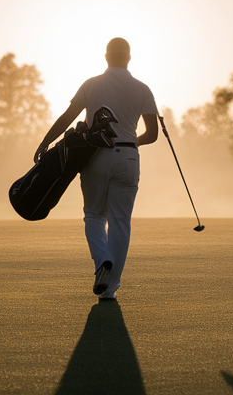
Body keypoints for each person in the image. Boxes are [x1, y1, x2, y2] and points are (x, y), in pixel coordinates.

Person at [34, 37, 158, 300]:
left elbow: (68, 117)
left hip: (95, 156)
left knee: (94, 215)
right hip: (128, 158)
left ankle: (102, 262)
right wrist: (128, 141)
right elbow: (153, 134)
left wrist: (46, 142)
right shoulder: (143, 88)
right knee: (120, 223)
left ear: (105, 56)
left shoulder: (92, 84)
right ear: (129, 58)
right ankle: (109, 290)